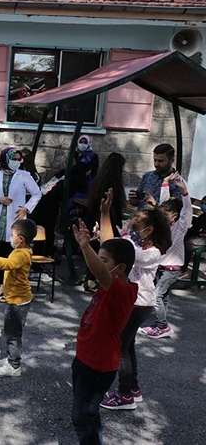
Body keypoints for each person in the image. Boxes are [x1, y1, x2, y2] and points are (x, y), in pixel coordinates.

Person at [99, 190, 172, 411]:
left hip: (138, 303)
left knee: (120, 348)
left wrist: (110, 223)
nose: (130, 227)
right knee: (127, 346)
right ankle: (132, 389)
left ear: (149, 231)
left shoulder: (152, 253)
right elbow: (115, 242)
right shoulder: (136, 244)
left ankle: (124, 396)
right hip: (135, 302)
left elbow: (115, 245)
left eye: (134, 225)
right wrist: (105, 215)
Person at [69, 212, 138, 445]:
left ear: (119, 268)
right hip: (84, 359)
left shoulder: (120, 291)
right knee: (86, 413)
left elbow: (99, 269)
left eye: (104, 260)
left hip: (97, 366)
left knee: (82, 416)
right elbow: (110, 248)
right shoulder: (114, 280)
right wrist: (105, 213)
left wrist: (85, 247)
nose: (99, 263)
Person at [0, 219, 37, 377]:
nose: (10, 237)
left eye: (12, 234)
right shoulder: (21, 250)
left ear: (21, 239)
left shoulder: (22, 254)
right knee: (9, 330)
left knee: (13, 334)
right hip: (15, 299)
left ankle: (14, 365)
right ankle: (10, 358)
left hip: (19, 302)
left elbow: (9, 264)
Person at [140, 175, 191, 338]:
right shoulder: (164, 226)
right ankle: (159, 323)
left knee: (156, 296)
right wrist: (164, 184)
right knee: (163, 297)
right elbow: (163, 204)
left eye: (164, 216)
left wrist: (185, 193)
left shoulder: (180, 227)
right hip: (161, 267)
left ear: (174, 216)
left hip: (172, 269)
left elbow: (187, 211)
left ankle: (162, 327)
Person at [0, 147, 42, 298]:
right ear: (5, 159)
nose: (17, 162)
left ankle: (12, 289)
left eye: (19, 159)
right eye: (14, 159)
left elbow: (37, 193)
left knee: (13, 257)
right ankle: (1, 286)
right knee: (0, 254)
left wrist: (26, 208)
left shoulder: (24, 176)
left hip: (15, 220)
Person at [81, 153, 127, 292]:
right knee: (107, 252)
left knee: (95, 249)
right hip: (107, 220)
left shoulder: (98, 180)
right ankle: (102, 279)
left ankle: (89, 279)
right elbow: (117, 206)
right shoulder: (116, 184)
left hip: (93, 218)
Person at [129, 143, 184, 208]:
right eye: (155, 160)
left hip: (159, 217)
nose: (156, 164)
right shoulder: (148, 176)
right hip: (141, 215)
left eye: (161, 161)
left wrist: (155, 205)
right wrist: (134, 199)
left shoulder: (178, 182)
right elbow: (136, 202)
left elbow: (174, 210)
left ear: (172, 161)